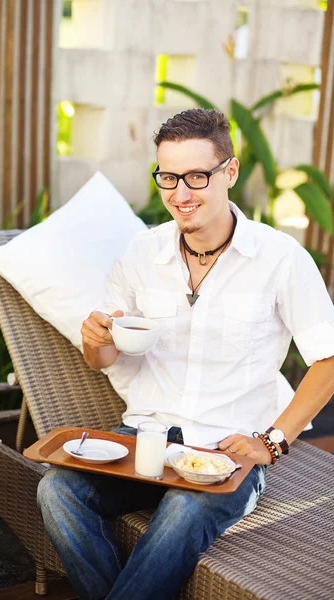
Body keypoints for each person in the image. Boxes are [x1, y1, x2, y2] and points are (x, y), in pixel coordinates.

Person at [37, 109, 334, 600]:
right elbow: (105, 360)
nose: (180, 193)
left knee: (184, 509)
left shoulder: (281, 259)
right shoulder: (140, 254)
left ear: (230, 172)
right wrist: (96, 343)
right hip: (144, 439)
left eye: (197, 176)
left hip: (225, 452)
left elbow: (328, 358)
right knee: (57, 491)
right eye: (168, 177)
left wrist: (274, 442)